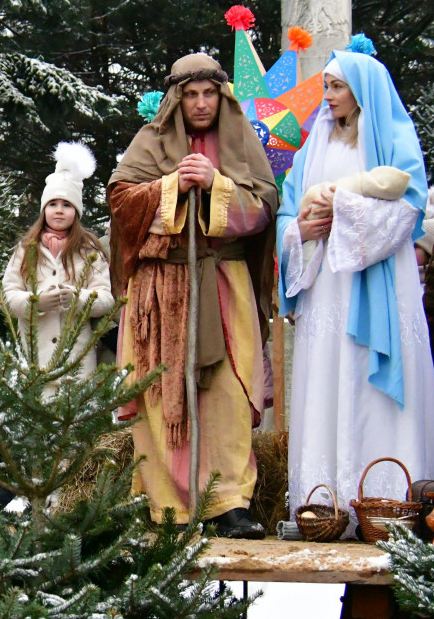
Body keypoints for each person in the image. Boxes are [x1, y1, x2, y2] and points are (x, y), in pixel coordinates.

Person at [108, 53, 277, 539]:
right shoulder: (150, 140)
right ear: (175, 99)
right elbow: (121, 202)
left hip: (223, 284)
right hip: (160, 289)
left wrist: (216, 185)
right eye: (190, 94)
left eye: (209, 94)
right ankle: (169, 505)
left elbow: (263, 208)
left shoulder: (241, 142)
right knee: (162, 394)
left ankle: (229, 503)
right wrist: (171, 186)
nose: (201, 104)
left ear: (222, 97)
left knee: (227, 395)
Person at [278, 49, 434, 538]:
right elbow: (288, 210)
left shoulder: (391, 136)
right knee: (327, 378)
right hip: (326, 283)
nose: (327, 97)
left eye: (336, 87)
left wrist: (342, 208)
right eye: (325, 87)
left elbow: (408, 205)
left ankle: (389, 504)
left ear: (362, 90)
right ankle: (325, 504)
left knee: (370, 389)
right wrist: (301, 230)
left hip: (376, 282)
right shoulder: (314, 145)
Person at [2, 141, 114, 388]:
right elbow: (9, 295)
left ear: (77, 211)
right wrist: (35, 302)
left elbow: (106, 298)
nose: (59, 211)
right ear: (44, 209)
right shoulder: (26, 249)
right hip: (36, 364)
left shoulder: (88, 250)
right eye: (53, 204)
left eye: (67, 205)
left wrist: (77, 298)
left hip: (77, 366)